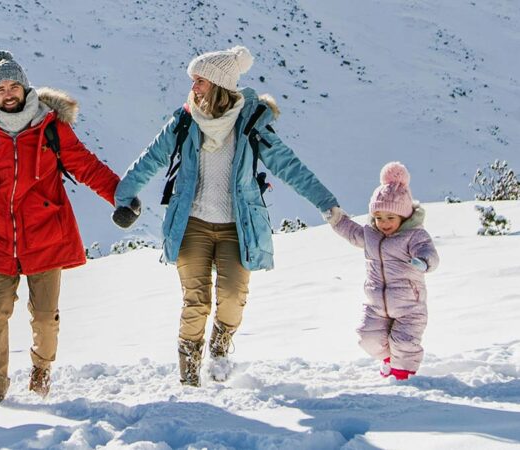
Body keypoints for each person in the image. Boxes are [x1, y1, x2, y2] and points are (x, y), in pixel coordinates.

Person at [112, 46, 340, 387]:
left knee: (233, 297)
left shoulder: (250, 125)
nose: (194, 87)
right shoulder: (185, 121)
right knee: (196, 301)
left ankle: (219, 348)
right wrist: (123, 197)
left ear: (219, 85)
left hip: (237, 227)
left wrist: (326, 203)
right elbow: (150, 158)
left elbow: (289, 166)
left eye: (200, 80)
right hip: (192, 224)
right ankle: (190, 377)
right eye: (193, 80)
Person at [0, 50, 122, 406]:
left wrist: (119, 196)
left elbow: (86, 166)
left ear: (25, 87)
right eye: (0, 88)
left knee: (45, 320)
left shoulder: (51, 128)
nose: (8, 93)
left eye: (13, 85)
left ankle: (41, 370)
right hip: (0, 238)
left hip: (46, 236)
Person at [328, 162, 438, 380]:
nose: (384, 223)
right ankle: (388, 359)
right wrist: (337, 219)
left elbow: (428, 252)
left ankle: (402, 376)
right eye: (379, 218)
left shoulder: (414, 235)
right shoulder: (371, 235)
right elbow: (352, 232)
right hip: (377, 304)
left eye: (390, 218)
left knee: (404, 343)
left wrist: (423, 261)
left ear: (403, 216)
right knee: (367, 337)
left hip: (409, 305)